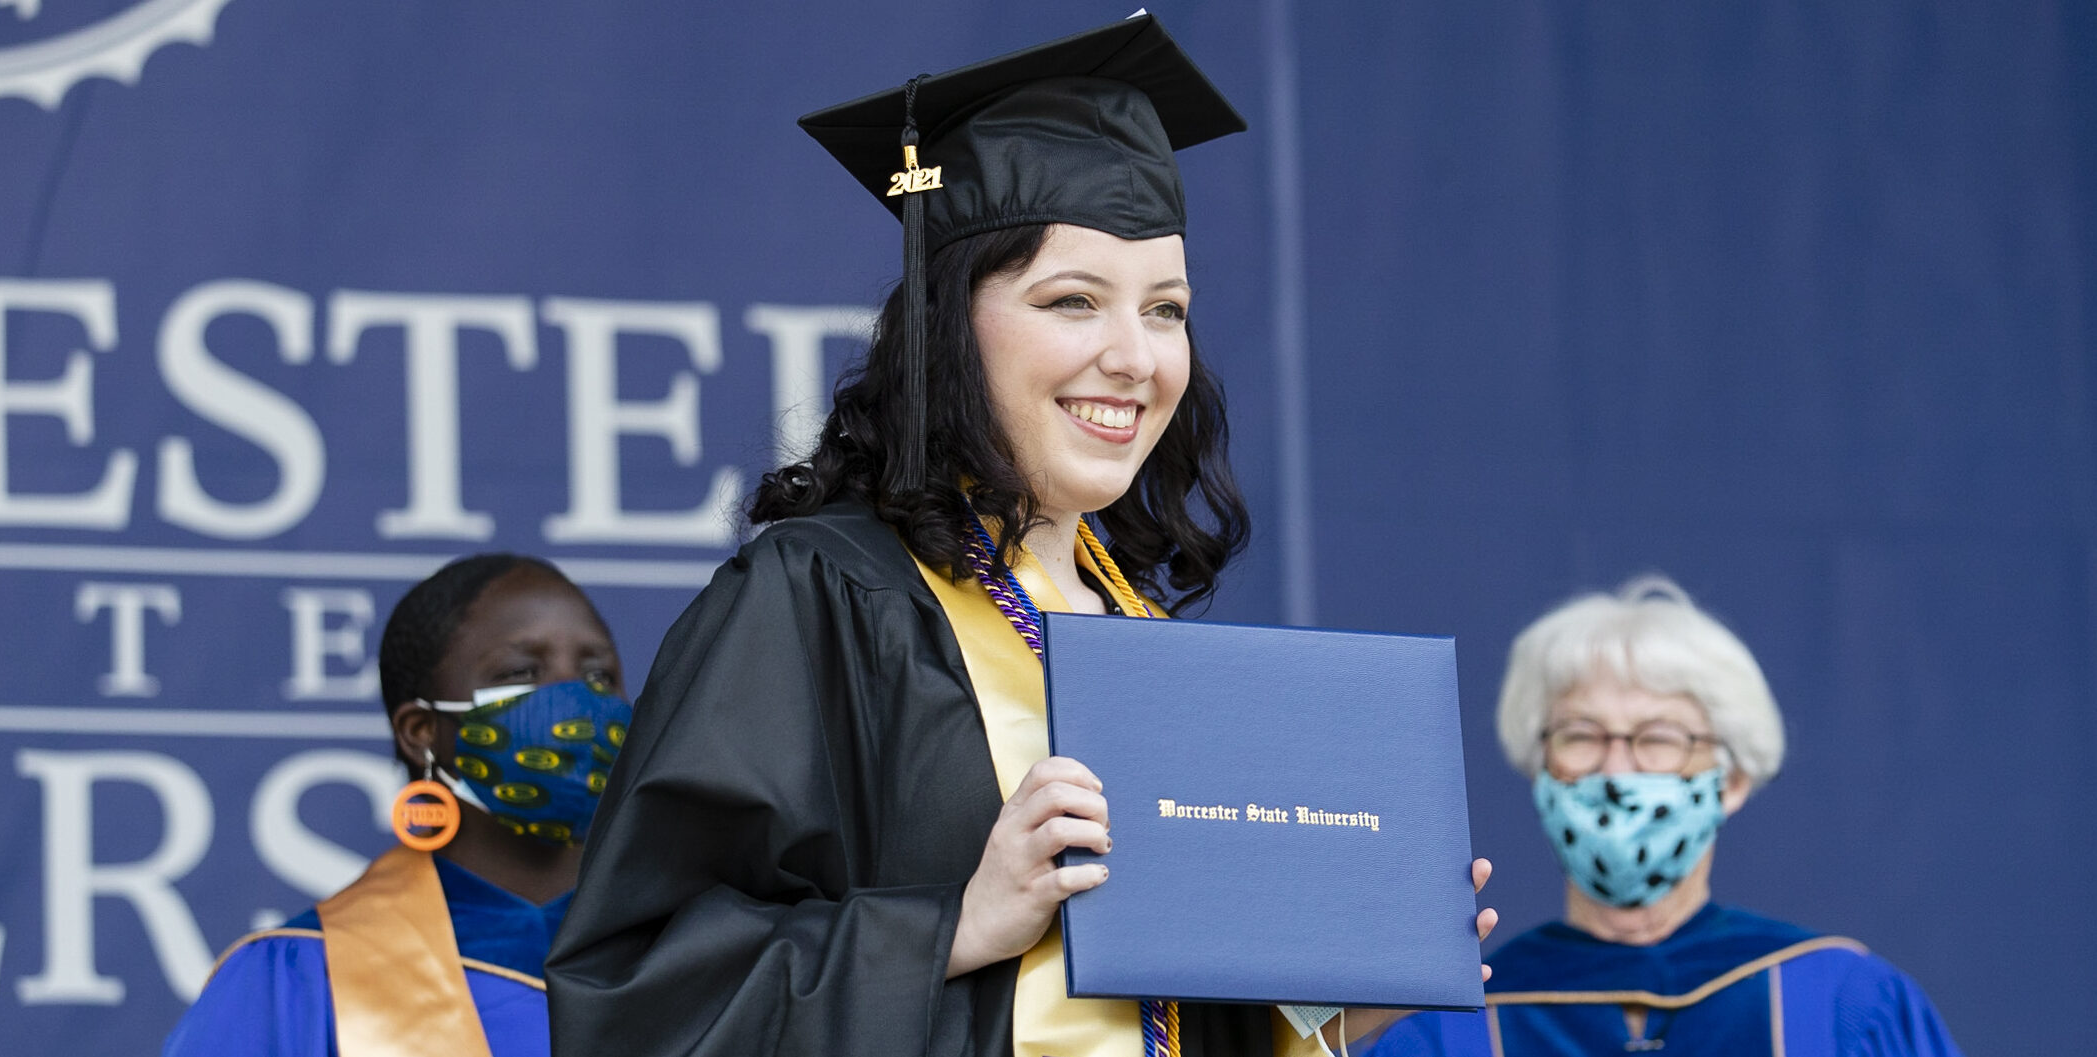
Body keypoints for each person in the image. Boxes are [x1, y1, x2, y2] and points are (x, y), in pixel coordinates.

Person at [546, 15, 1492, 1057]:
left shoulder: (1139, 630)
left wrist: (1316, 1019)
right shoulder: (815, 600)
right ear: (950, 324)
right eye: (1072, 300)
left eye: (1166, 310)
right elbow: (631, 1001)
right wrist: (950, 927)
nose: (1133, 357)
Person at [1368, 576, 1961, 1057]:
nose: (1617, 770)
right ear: (1540, 767)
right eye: (1581, 735)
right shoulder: (1453, 1031)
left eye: (1659, 738)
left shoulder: (1840, 1001)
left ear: (1730, 779)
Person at [163, 554, 631, 1057]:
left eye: (599, 676)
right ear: (421, 732)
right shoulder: (300, 977)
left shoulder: (687, 956)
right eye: (520, 672)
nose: (573, 699)